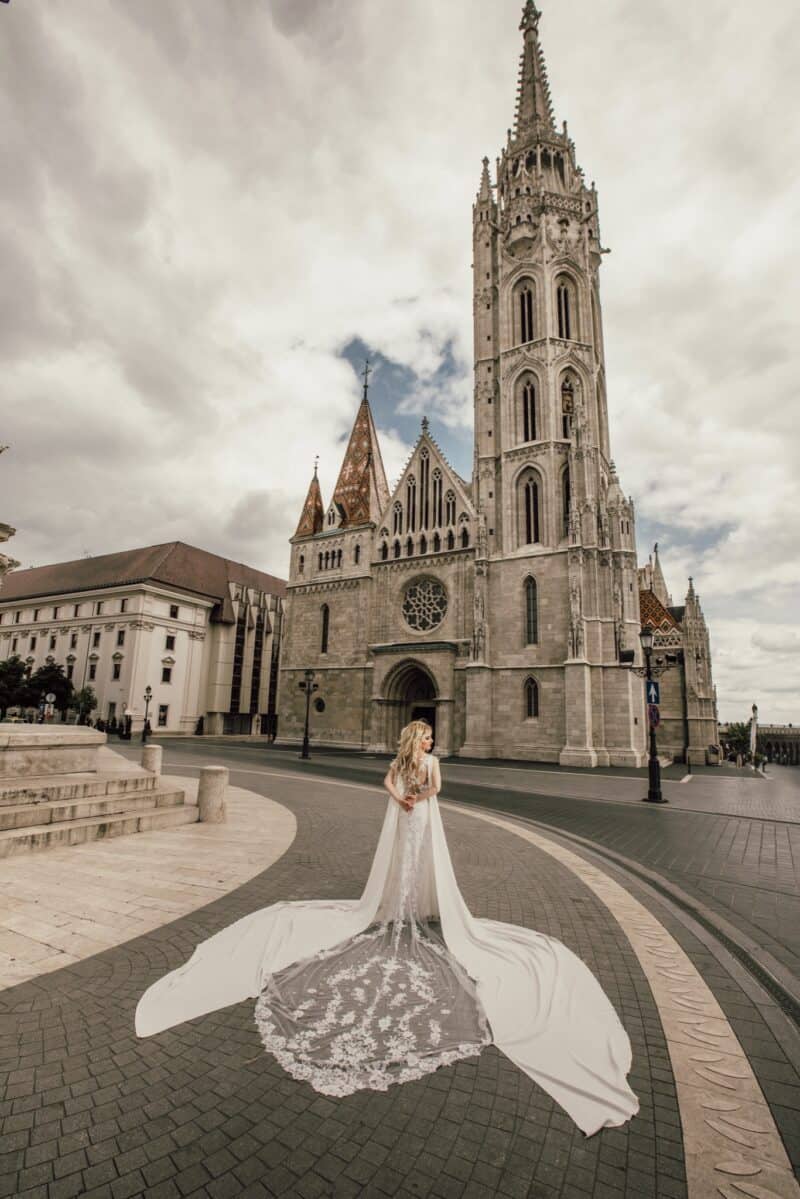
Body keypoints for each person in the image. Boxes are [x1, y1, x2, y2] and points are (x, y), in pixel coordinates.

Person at [135, 720, 638, 1136]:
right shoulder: (409, 765)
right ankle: (403, 906)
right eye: (426, 738)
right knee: (408, 866)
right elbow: (406, 785)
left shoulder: (422, 765)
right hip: (412, 814)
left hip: (416, 814)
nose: (430, 743)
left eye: (430, 739)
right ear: (416, 740)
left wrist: (412, 796)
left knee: (415, 868)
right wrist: (409, 797)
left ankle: (408, 906)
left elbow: (421, 785)